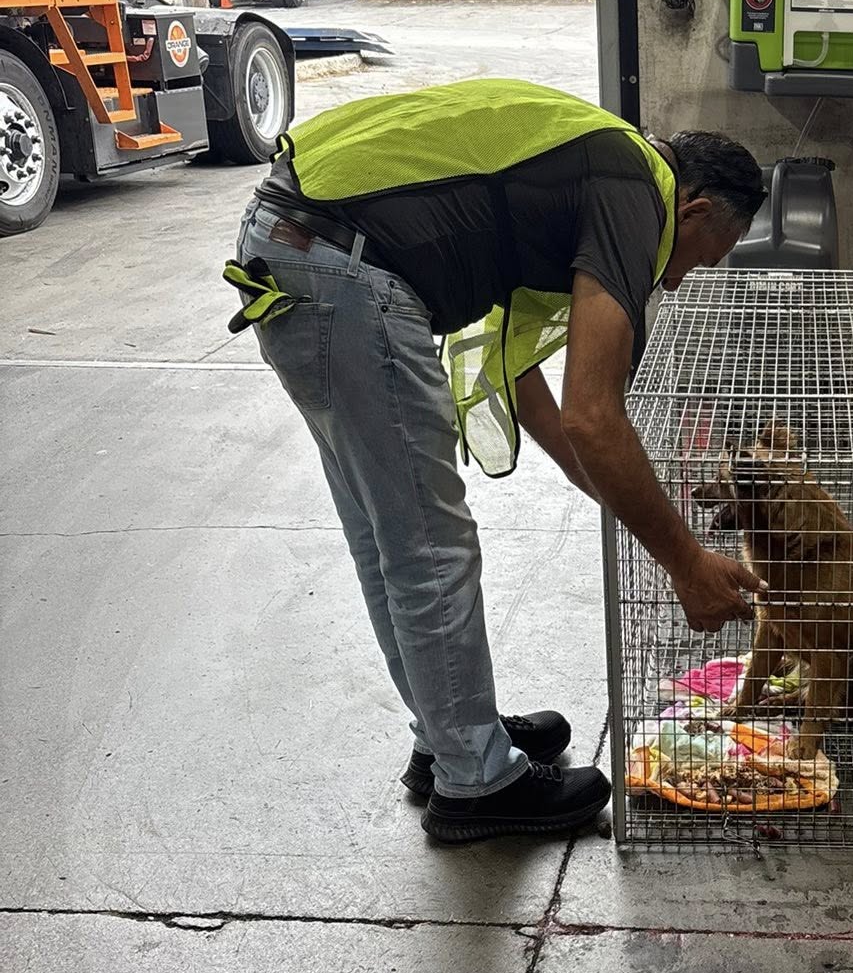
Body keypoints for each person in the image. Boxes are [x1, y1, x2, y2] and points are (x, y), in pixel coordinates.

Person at [225, 77, 765, 846]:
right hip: (341, 266)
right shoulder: (634, 193)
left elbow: (534, 390)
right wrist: (684, 560)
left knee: (389, 537)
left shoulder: (592, 165)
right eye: (699, 260)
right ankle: (476, 781)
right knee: (427, 546)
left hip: (297, 247)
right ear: (696, 211)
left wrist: (635, 504)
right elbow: (593, 412)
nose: (677, 280)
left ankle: (450, 733)